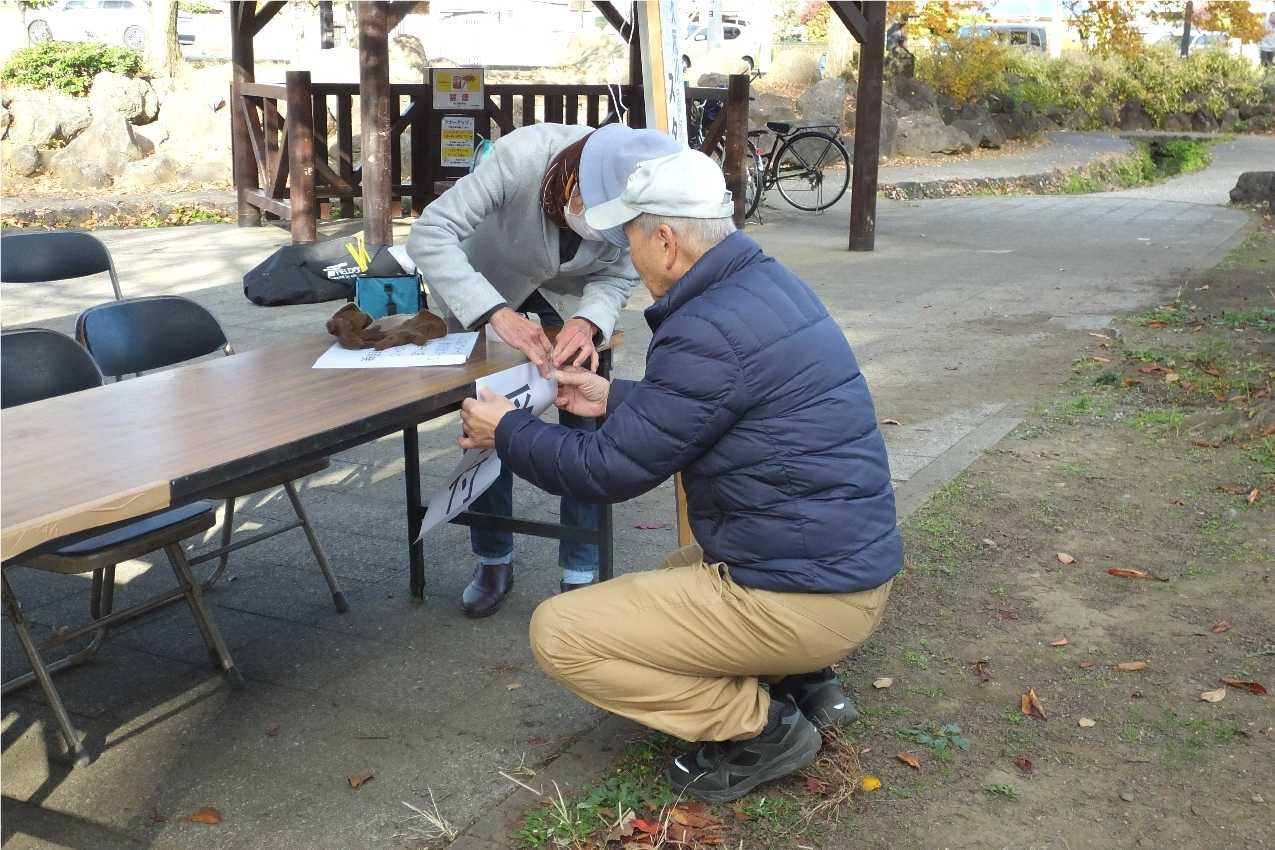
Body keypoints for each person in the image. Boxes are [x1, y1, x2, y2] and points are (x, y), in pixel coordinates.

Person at [458, 148, 902, 802]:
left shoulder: (703, 326)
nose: (627, 257)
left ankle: (760, 729)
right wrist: (614, 398)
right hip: (837, 568)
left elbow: (607, 471)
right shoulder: (763, 284)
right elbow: (719, 400)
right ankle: (803, 678)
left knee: (562, 633)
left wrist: (507, 430)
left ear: (665, 241)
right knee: (673, 573)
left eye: (630, 239)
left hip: (807, 596)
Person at [406, 122, 681, 617]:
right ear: (571, 181)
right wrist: (494, 312)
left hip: (569, 306)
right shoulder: (521, 158)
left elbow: (618, 274)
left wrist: (588, 320)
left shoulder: (637, 190)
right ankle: (493, 557)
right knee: (489, 423)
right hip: (489, 290)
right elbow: (430, 232)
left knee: (585, 429)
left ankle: (581, 569)